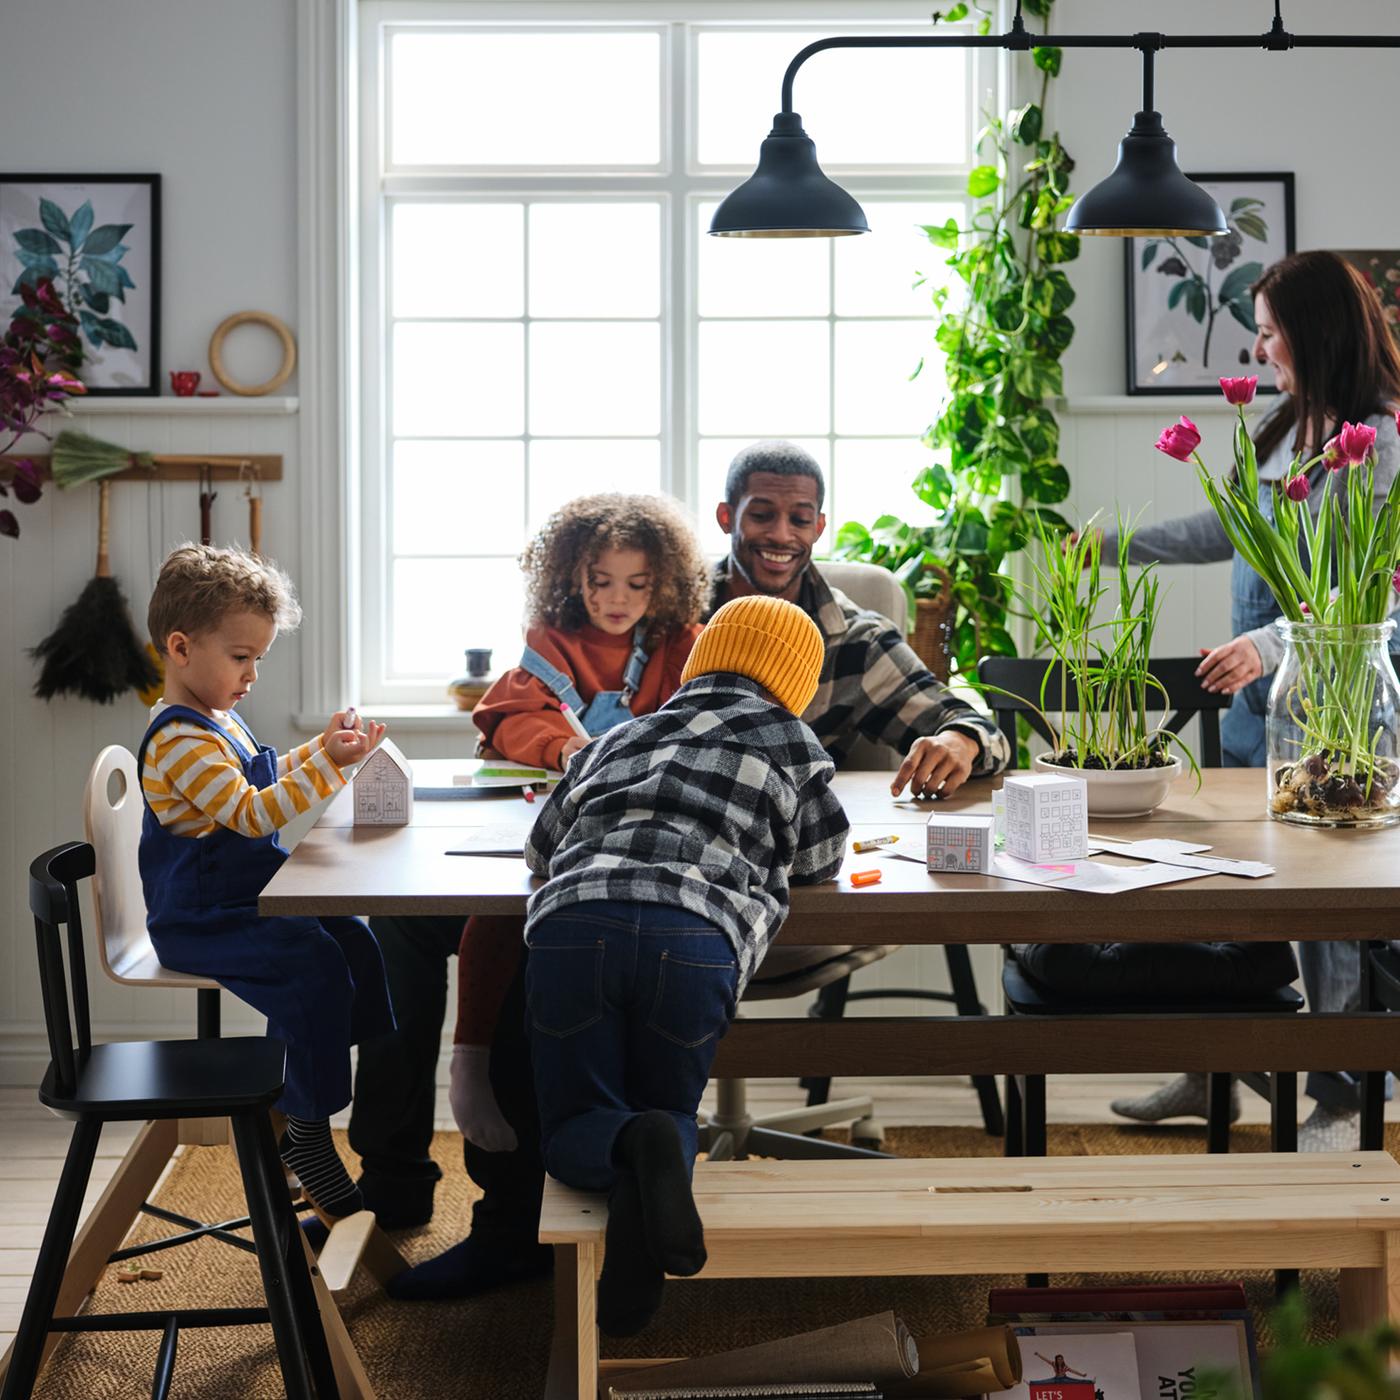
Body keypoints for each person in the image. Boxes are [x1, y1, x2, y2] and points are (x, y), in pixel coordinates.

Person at [365, 443, 1012, 1300]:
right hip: (708, 917)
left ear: (822, 523)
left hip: (636, 898)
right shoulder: (666, 596)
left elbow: (964, 714)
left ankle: (540, 1208)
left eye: (799, 516)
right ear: (725, 519)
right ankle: (406, 1197)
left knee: (542, 947)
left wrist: (962, 738)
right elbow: (533, 702)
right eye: (761, 513)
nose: (780, 533)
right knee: (405, 926)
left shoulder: (853, 636)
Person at [355, 493, 709, 1292]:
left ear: (665, 587)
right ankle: (392, 1181)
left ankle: (510, 1218)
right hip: (559, 829)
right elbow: (507, 716)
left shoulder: (687, 648)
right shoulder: (552, 644)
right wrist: (567, 750)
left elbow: (703, 727)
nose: (616, 599)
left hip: (637, 863)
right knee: (398, 928)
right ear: (570, 580)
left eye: (636, 584)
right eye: (599, 582)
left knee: (532, 933)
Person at [1100, 251, 1400, 1150]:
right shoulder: (1284, 430)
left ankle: (1339, 1101)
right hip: (1256, 715)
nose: (1259, 345)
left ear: (1312, 333)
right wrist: (1117, 547)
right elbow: (1227, 528)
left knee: (1326, 920)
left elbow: (1373, 594)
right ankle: (1212, 1072)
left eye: (1269, 329)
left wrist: (1268, 646)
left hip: (1333, 716)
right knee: (1239, 900)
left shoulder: (1377, 443)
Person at [522, 593, 848, 1335]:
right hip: (696, 939)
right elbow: (822, 859)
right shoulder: (795, 747)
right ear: (794, 683)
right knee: (668, 1106)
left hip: (578, 924)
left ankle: (634, 1159)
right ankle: (658, 1144)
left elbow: (542, 848)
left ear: (701, 661)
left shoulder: (623, 733)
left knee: (575, 1123)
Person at [138, 543, 394, 1217]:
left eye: (260, 658)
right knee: (312, 968)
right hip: (203, 920)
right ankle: (307, 1128)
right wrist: (333, 772)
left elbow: (269, 773)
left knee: (354, 937)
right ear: (181, 647)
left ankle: (333, 1086)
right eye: (241, 657)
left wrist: (322, 749)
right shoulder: (179, 742)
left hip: (247, 902)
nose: (252, 674)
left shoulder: (219, 720)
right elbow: (252, 817)